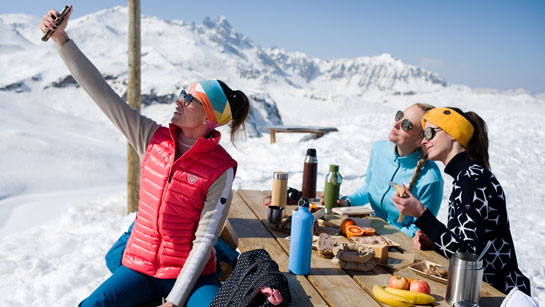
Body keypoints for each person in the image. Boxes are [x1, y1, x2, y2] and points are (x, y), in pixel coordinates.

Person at [40, 5, 250, 307]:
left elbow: (205, 241)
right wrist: (62, 40)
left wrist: (175, 301)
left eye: (190, 99)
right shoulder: (152, 138)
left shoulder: (220, 169)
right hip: (141, 268)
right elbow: (102, 93)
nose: (179, 100)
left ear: (208, 118)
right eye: (183, 92)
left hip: (190, 276)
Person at [392, 107, 531, 296]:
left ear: (453, 134)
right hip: (484, 291)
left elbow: (469, 256)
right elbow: (469, 244)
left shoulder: (470, 180)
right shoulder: (468, 176)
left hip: (495, 295)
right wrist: (436, 242)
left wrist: (421, 213)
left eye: (429, 132)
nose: (424, 140)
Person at [335, 103, 444, 237]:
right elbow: (369, 187)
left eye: (406, 125)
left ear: (420, 140)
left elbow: (419, 229)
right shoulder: (378, 149)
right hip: (370, 231)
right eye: (399, 116)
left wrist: (386, 238)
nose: (396, 124)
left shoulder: (430, 178)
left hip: (401, 247)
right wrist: (347, 202)